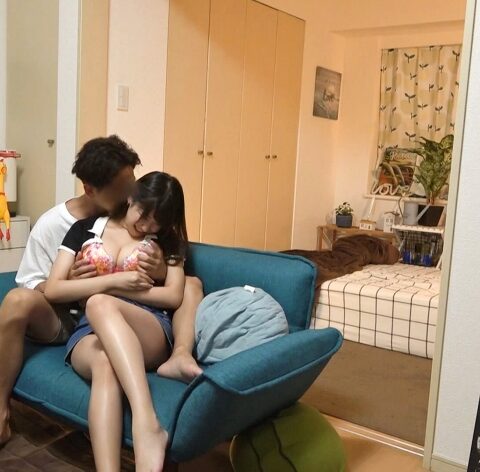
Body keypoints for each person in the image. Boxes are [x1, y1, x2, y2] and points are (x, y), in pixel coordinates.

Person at [0, 136, 202, 448]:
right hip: (64, 316)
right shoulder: (58, 225)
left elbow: (171, 278)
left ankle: (178, 358)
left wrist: (162, 269)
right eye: (124, 187)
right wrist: (78, 281)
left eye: (132, 181)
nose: (131, 191)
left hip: (120, 316)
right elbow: (39, 285)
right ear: (91, 189)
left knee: (191, 284)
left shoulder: (144, 224)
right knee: (18, 300)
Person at [45, 172, 186, 472]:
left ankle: (145, 421)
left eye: (156, 223)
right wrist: (115, 282)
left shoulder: (167, 240)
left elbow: (174, 296)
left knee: (98, 302)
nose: (146, 226)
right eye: (143, 215)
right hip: (89, 331)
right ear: (131, 197)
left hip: (147, 325)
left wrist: (110, 291)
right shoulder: (85, 229)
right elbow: (54, 289)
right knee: (104, 363)